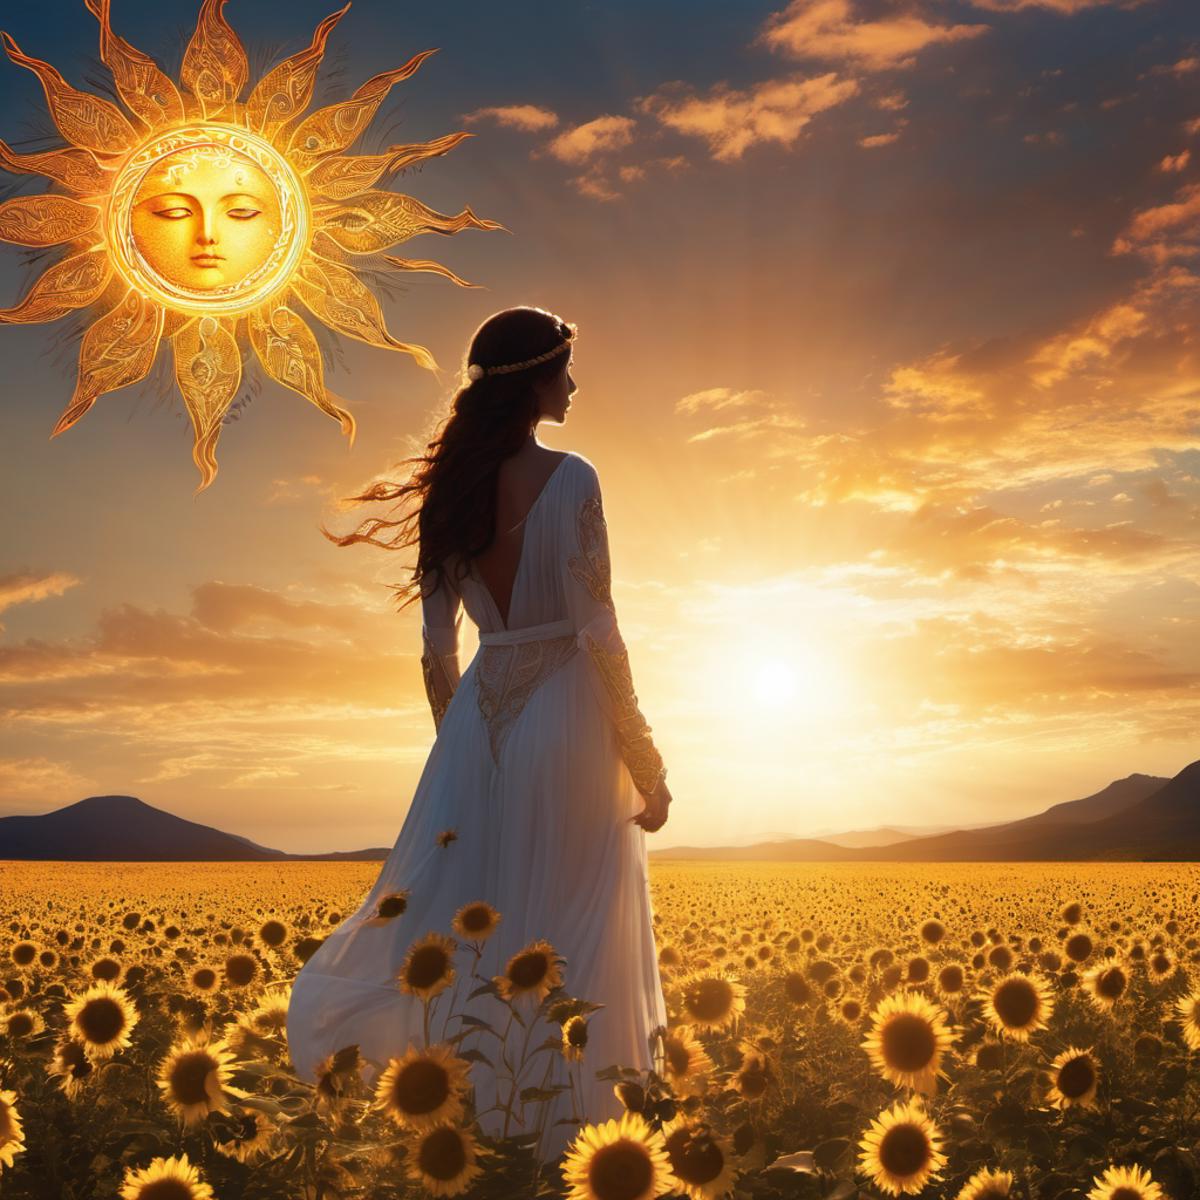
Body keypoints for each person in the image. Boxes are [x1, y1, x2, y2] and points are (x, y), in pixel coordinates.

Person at [285, 305, 674, 1165]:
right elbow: (599, 630)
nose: (573, 384)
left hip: (476, 729)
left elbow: (435, 651)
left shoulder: (447, 496)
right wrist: (645, 758)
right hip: (569, 716)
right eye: (564, 369)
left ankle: (483, 1127)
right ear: (534, 381)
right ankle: (571, 1142)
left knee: (480, 924)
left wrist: (464, 756)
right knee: (569, 926)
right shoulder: (573, 478)